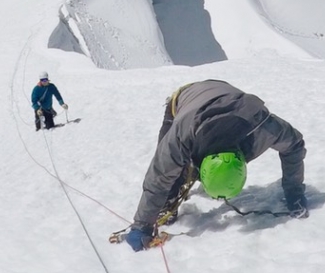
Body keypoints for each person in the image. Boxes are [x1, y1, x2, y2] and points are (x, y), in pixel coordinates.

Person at [124, 79, 308, 251]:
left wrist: (294, 191)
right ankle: (169, 201)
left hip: (230, 100)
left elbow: (295, 145)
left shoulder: (263, 129)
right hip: (184, 100)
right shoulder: (180, 136)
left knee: (178, 165)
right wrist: (143, 224)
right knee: (173, 169)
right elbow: (159, 177)